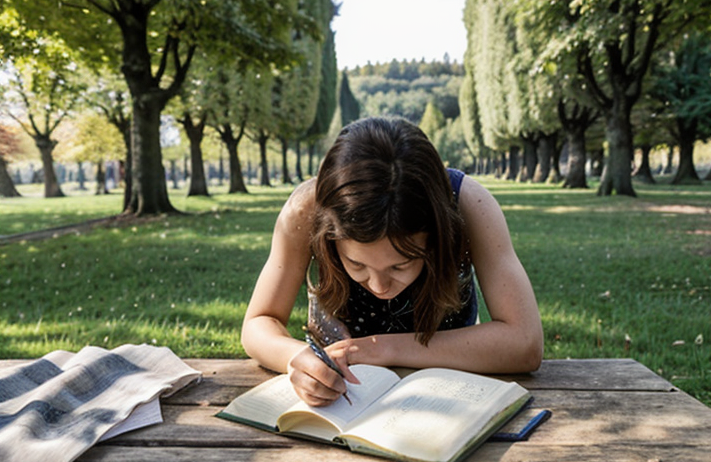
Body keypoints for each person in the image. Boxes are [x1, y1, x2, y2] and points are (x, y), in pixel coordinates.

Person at [241, 117, 543, 407]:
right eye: (356, 264)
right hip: (345, 399)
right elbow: (257, 324)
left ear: (436, 234)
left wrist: (383, 348)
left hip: (451, 393)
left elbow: (525, 343)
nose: (379, 285)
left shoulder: (469, 205)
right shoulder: (306, 209)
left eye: (400, 265)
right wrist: (294, 357)